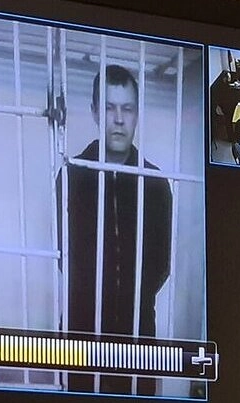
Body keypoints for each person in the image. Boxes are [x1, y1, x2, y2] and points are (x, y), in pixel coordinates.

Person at [56, 65, 173, 396]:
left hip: (138, 332)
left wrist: (130, 301)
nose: (119, 119)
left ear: (136, 114)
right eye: (109, 107)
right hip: (81, 333)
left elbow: (161, 265)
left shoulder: (156, 184)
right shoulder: (72, 176)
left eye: (127, 108)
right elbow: (66, 258)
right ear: (95, 111)